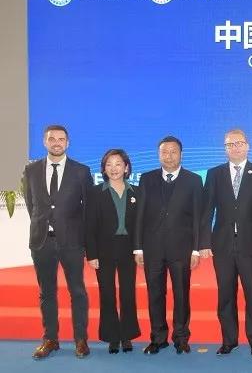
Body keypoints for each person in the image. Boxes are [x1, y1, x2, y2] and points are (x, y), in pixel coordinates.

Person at [200, 129, 252, 356]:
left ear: (247, 146)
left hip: (251, 246)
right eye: (230, 144)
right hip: (222, 245)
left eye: (239, 143)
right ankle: (229, 340)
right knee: (225, 295)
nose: (235, 148)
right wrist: (204, 242)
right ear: (225, 148)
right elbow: (206, 210)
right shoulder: (214, 174)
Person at [23, 124, 93, 359]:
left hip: (72, 241)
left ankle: (81, 339)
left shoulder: (81, 171)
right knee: (47, 292)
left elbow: (88, 210)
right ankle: (50, 339)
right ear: (45, 142)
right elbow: (32, 205)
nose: (56, 143)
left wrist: (85, 241)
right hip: (42, 241)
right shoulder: (31, 170)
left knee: (78, 291)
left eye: (61, 139)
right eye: (51, 139)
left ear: (67, 143)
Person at [134, 136, 204, 355]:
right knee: (155, 294)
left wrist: (196, 249)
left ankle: (181, 337)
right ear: (159, 155)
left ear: (181, 154)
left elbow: (198, 217)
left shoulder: (193, 180)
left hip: (181, 248)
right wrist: (138, 247)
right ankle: (158, 338)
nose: (169, 156)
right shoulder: (147, 178)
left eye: (173, 152)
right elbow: (139, 215)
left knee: (181, 294)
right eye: (164, 152)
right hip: (152, 248)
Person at [85, 149, 141, 354]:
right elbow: (89, 226)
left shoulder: (136, 192)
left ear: (126, 167)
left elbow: (141, 224)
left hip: (128, 249)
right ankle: (111, 336)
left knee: (128, 292)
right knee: (107, 293)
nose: (114, 168)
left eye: (118, 164)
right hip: (104, 250)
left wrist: (140, 249)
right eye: (109, 164)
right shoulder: (95, 192)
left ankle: (127, 335)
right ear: (104, 169)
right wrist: (91, 254)